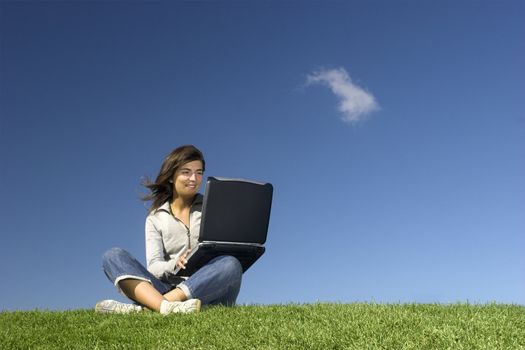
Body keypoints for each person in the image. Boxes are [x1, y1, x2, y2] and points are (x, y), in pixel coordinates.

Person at [96, 145, 243, 314]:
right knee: (113, 256)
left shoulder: (213, 208)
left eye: (199, 172)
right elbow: (154, 268)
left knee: (231, 264)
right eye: (186, 172)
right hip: (167, 286)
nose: (194, 178)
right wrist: (174, 264)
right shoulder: (155, 218)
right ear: (172, 177)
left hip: (208, 288)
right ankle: (169, 306)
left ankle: (151, 308)